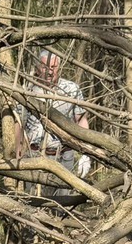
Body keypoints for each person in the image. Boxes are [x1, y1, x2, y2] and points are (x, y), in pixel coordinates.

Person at [15, 49, 91, 179]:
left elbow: (82, 120)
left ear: (59, 68)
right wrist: (18, 152)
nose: (50, 71)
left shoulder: (71, 89)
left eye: (54, 67)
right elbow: (19, 122)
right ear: (38, 69)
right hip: (34, 156)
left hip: (64, 156)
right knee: (35, 197)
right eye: (45, 67)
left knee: (62, 197)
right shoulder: (27, 90)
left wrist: (86, 153)